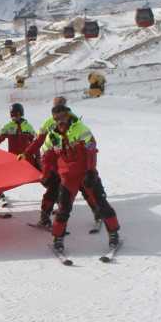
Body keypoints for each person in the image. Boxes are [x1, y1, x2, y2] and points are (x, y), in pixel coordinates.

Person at [43, 104, 121, 251]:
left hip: (86, 173)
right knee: (63, 208)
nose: (60, 121)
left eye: (63, 117)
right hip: (67, 177)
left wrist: (91, 171)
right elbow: (46, 155)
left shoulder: (81, 129)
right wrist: (47, 174)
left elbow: (91, 150)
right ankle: (58, 238)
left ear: (68, 115)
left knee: (101, 203)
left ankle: (114, 233)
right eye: (56, 119)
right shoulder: (52, 135)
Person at [21, 97, 102, 229]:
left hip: (72, 162)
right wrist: (27, 153)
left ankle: (97, 212)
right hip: (55, 161)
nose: (58, 109)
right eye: (56, 106)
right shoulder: (49, 122)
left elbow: (87, 141)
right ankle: (45, 217)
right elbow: (39, 140)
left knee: (84, 185)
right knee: (53, 188)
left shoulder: (74, 120)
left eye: (61, 106)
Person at [0, 103, 37, 209]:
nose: (15, 117)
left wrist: (38, 157)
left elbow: (36, 142)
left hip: (27, 158)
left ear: (21, 114)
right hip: (14, 159)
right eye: (13, 115)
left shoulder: (28, 126)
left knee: (44, 175)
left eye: (17, 114)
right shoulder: (9, 126)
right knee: (2, 178)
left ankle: (56, 196)